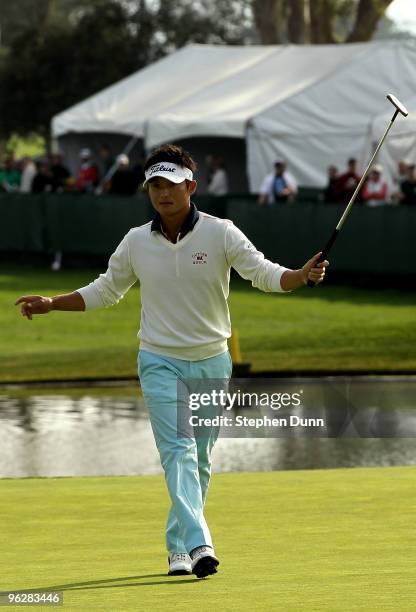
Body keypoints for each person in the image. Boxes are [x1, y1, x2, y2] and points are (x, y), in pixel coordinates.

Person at [15, 144, 328, 580]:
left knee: (198, 459)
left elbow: (262, 272)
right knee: (177, 451)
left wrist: (299, 276)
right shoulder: (136, 241)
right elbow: (106, 290)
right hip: (160, 361)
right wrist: (52, 303)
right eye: (155, 186)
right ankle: (201, 543)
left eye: (172, 185)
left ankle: (177, 547)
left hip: (212, 363)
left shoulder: (222, 233)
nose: (163, 194)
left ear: (191, 187)